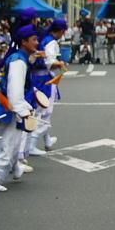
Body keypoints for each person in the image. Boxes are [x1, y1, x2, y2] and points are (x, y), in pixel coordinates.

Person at [0, 23, 38, 191]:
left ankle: (15, 168)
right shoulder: (18, 61)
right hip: (8, 107)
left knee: (12, 144)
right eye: (34, 39)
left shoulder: (19, 57)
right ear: (24, 42)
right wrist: (23, 111)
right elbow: (15, 92)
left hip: (5, 106)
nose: (37, 42)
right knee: (8, 144)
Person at [23, 18, 68, 157]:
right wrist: (60, 64)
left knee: (41, 110)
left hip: (38, 78)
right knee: (45, 111)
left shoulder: (45, 38)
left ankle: (46, 140)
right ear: (61, 31)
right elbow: (49, 62)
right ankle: (31, 145)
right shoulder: (51, 42)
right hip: (44, 79)